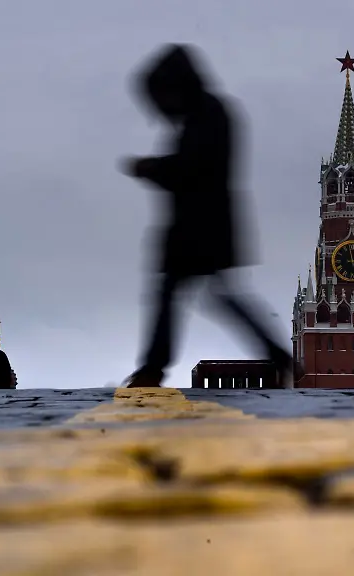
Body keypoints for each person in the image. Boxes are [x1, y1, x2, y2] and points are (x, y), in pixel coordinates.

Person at [120, 44, 295, 388]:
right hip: (200, 226)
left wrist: (150, 167)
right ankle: (277, 354)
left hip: (202, 227)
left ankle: (153, 369)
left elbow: (193, 170)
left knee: (184, 292)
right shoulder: (207, 113)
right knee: (211, 293)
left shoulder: (207, 115)